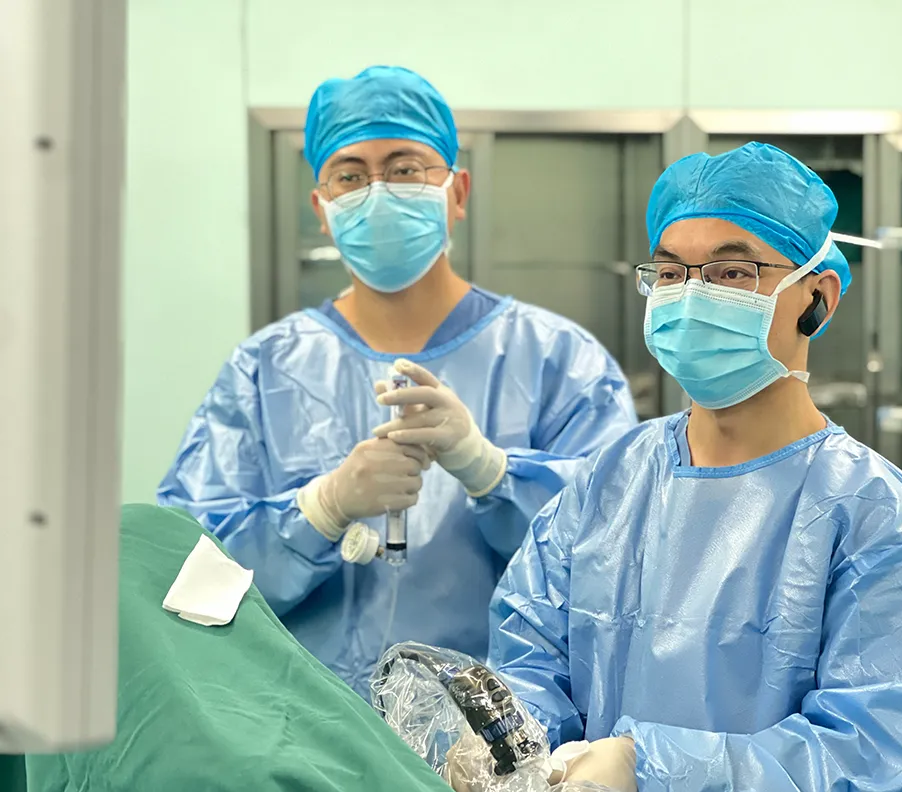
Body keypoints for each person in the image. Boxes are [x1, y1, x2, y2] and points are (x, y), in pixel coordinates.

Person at [484, 143, 902, 792]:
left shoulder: (881, 523)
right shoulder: (610, 481)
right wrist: (508, 749)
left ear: (817, 298)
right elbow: (529, 654)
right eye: (670, 273)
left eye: (732, 272)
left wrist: (651, 771)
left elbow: (867, 750)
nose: (691, 297)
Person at [158, 65, 637, 696]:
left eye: (406, 168)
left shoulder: (560, 362)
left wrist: (494, 473)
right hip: (301, 731)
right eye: (350, 175)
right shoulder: (263, 370)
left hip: (495, 736)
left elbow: (619, 560)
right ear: (322, 209)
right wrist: (319, 509)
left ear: (457, 192)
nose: (377, 191)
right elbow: (187, 573)